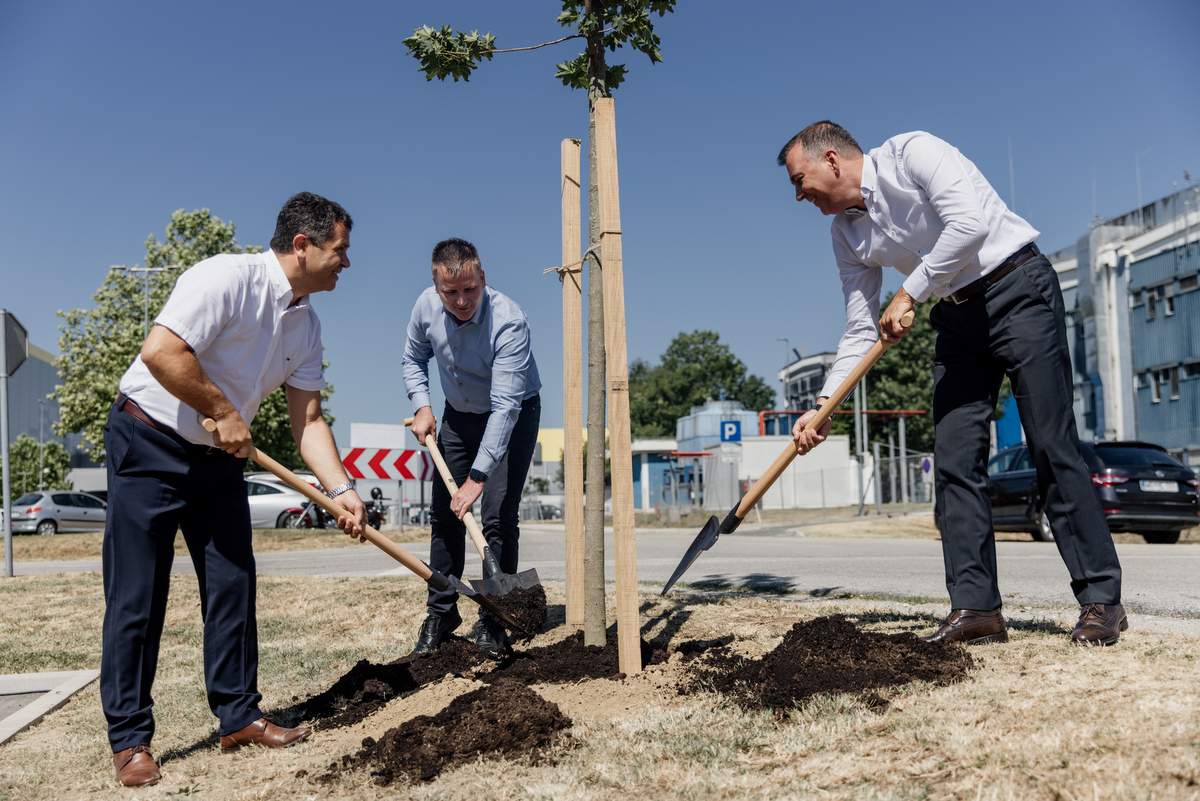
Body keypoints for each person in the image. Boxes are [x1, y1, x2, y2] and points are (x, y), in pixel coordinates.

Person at [777, 121, 1125, 647]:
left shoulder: (913, 153)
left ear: (830, 159)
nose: (799, 195)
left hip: (1017, 289)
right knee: (956, 459)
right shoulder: (844, 234)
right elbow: (858, 328)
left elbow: (969, 225)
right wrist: (824, 404)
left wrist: (911, 292)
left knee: (1050, 444)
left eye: (800, 180)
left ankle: (1102, 601)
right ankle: (977, 609)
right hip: (957, 318)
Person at [102, 192, 366, 787]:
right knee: (138, 594)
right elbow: (162, 352)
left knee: (231, 582)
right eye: (339, 250)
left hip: (218, 457)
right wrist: (221, 407)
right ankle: (130, 739)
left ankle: (238, 715)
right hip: (148, 440)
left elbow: (309, 421)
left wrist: (341, 487)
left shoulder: (307, 324)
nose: (346, 263)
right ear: (303, 246)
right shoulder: (223, 278)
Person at [403, 237, 541, 658]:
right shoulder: (425, 307)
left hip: (512, 417)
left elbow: (504, 408)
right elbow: (413, 358)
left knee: (497, 516)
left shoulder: (508, 321)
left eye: (470, 289)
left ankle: (496, 619)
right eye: (451, 292)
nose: (461, 300)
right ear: (436, 284)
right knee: (445, 515)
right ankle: (442, 611)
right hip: (458, 417)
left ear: (483, 278)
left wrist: (477, 478)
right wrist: (423, 406)